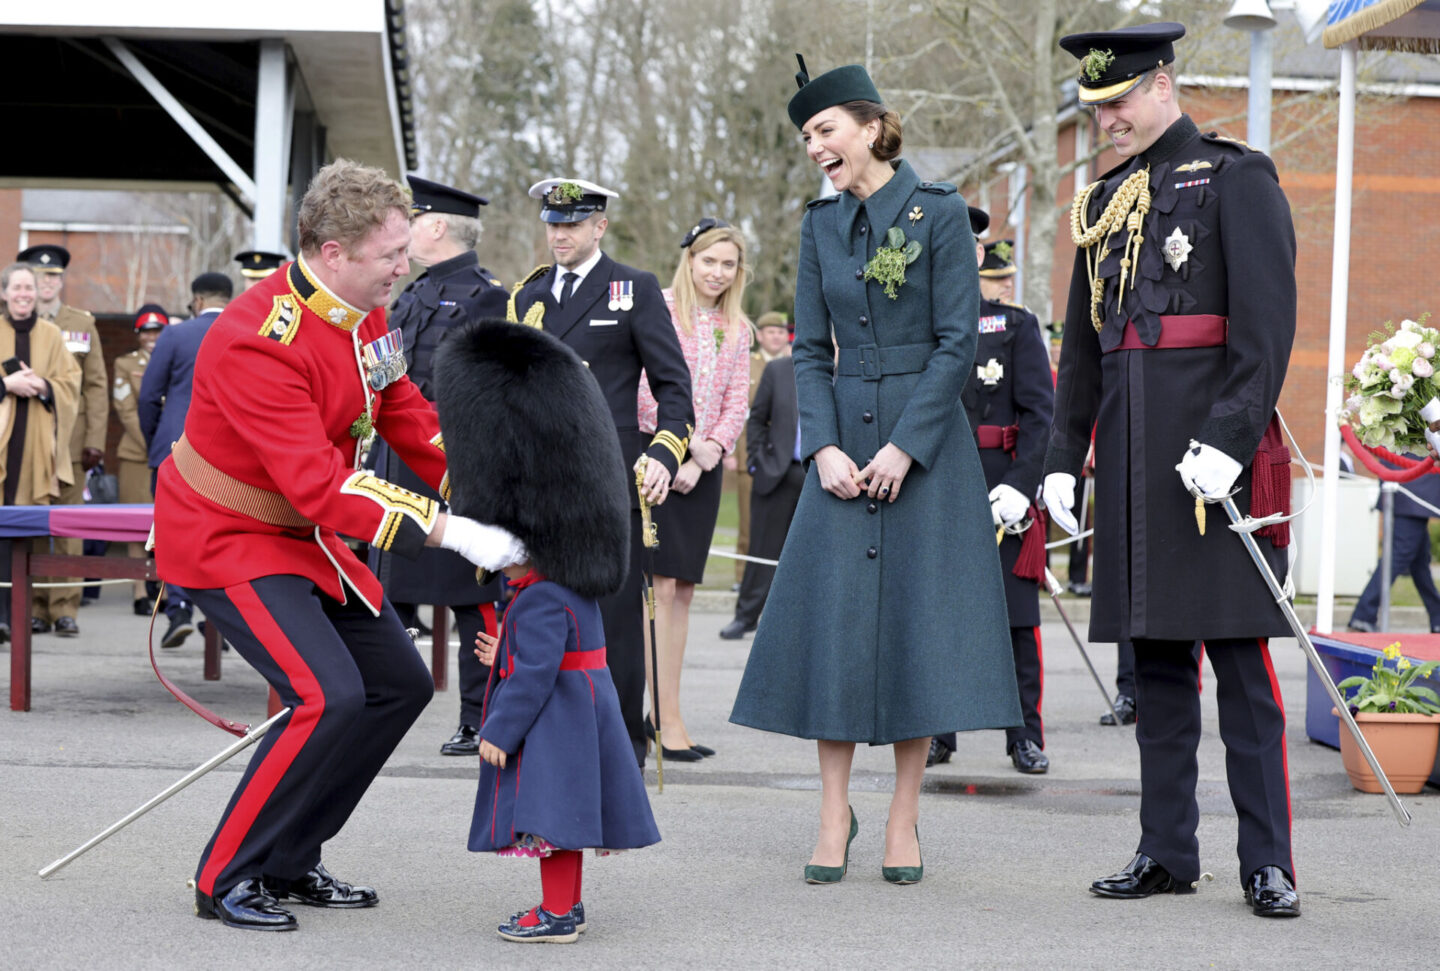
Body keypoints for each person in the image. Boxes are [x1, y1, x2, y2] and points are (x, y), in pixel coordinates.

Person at [152, 159, 525, 932]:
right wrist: (455, 532)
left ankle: (292, 856)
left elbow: (402, 411)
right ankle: (226, 873)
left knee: (398, 683)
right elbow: (321, 485)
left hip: (300, 534)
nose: (403, 263)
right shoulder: (257, 337)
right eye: (389, 253)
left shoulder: (367, 312)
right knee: (326, 695)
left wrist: (484, 490)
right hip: (228, 532)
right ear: (332, 253)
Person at [729, 58, 1018, 885]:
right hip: (839, 441)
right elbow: (810, 350)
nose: (815, 147)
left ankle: (902, 816)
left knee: (912, 633)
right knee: (837, 629)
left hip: (921, 444)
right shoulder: (818, 226)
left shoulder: (937, 214)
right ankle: (831, 811)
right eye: (806, 138)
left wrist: (904, 447)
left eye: (824, 131)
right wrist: (819, 445)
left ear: (869, 125)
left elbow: (957, 343)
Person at [1042, 23, 1300, 918]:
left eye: (1118, 102)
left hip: (1209, 465)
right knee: (1154, 671)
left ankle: (1268, 859)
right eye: (1096, 106)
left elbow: (1266, 332)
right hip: (1131, 457)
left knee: (1240, 670)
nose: (1107, 119)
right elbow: (1081, 349)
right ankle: (1166, 848)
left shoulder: (1238, 177)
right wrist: (1059, 460)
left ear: (1163, 83)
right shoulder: (1100, 202)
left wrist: (1229, 438)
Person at [433, 318, 659, 945]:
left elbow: (535, 673)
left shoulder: (535, 598)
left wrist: (496, 731)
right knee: (564, 827)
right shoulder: (568, 588)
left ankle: (556, 915)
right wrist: (500, 645)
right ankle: (568, 908)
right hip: (580, 714)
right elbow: (558, 648)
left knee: (551, 826)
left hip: (553, 724)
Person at [506, 177, 694, 767]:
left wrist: (664, 453)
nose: (559, 234)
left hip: (606, 474)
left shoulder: (632, 288)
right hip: (538, 476)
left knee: (612, 620)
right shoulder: (527, 295)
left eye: (572, 224)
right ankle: (545, 745)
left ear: (599, 226)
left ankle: (619, 752)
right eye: (553, 224)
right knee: (538, 611)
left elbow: (673, 387)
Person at [368, 174, 509, 757]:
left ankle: (480, 715)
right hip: (393, 458)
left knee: (471, 595)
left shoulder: (488, 297)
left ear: (436, 226)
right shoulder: (411, 291)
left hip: (451, 462)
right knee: (382, 587)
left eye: (412, 220)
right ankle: (381, 695)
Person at [930, 223, 1055, 774]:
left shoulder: (1014, 324)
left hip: (1002, 482)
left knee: (1014, 619)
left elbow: (1040, 414)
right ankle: (936, 733)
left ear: (979, 254)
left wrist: (1022, 485)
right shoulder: (923, 320)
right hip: (938, 483)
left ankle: (1023, 734)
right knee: (938, 617)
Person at [635, 218, 751, 760]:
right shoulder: (656, 308)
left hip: (701, 470)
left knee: (682, 592)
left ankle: (667, 711)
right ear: (689, 260)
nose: (718, 273)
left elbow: (737, 401)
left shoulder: (739, 326)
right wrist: (678, 446)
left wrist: (711, 450)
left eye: (728, 264)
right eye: (710, 261)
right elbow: (641, 388)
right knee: (654, 593)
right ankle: (654, 716)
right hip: (657, 462)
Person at [139, 271, 233, 648]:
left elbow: (148, 396)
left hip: (175, 449)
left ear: (196, 301)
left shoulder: (175, 335)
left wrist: (156, 441)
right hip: (227, 454)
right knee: (224, 535)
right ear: (230, 297)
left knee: (172, 530)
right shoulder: (249, 331)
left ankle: (177, 607)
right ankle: (219, 618)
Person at [19, 244, 106, 638]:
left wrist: (95, 440)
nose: (47, 283)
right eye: (39, 277)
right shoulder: (16, 323)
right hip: (29, 442)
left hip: (71, 442)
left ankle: (66, 608)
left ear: (61, 280)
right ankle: (35, 606)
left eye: (53, 276)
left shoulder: (80, 323)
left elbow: (96, 386)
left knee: (70, 528)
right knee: (34, 524)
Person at [0, 263, 82, 641]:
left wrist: (44, 386)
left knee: (27, 528)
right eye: (16, 288)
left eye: (28, 289)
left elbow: (71, 384)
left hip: (35, 445)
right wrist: (6, 385)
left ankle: (29, 613)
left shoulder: (51, 334)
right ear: (4, 293)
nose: (23, 295)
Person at [719, 349, 802, 641]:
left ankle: (801, 624)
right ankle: (745, 617)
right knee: (762, 550)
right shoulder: (778, 370)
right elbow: (756, 420)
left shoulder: (844, 369)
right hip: (777, 473)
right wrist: (756, 463)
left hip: (824, 477)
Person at [112, 304, 169, 615]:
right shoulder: (125, 364)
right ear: (138, 335)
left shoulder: (175, 360)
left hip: (171, 454)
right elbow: (126, 409)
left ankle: (164, 590)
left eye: (157, 330)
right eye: (146, 331)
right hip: (137, 453)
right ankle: (138, 592)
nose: (151, 337)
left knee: (167, 524)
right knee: (135, 523)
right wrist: (152, 442)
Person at [731, 311, 792, 586]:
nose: (776, 336)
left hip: (786, 456)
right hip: (751, 455)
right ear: (760, 336)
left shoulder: (794, 364)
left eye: (781, 332)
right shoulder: (749, 364)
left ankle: (777, 582)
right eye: (771, 331)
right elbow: (741, 412)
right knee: (749, 525)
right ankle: (743, 579)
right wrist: (734, 453)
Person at [1346, 454, 1440, 633]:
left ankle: (1437, 616)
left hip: (1411, 486)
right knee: (1398, 556)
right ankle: (1363, 615)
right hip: (1412, 485)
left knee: (1419, 562)